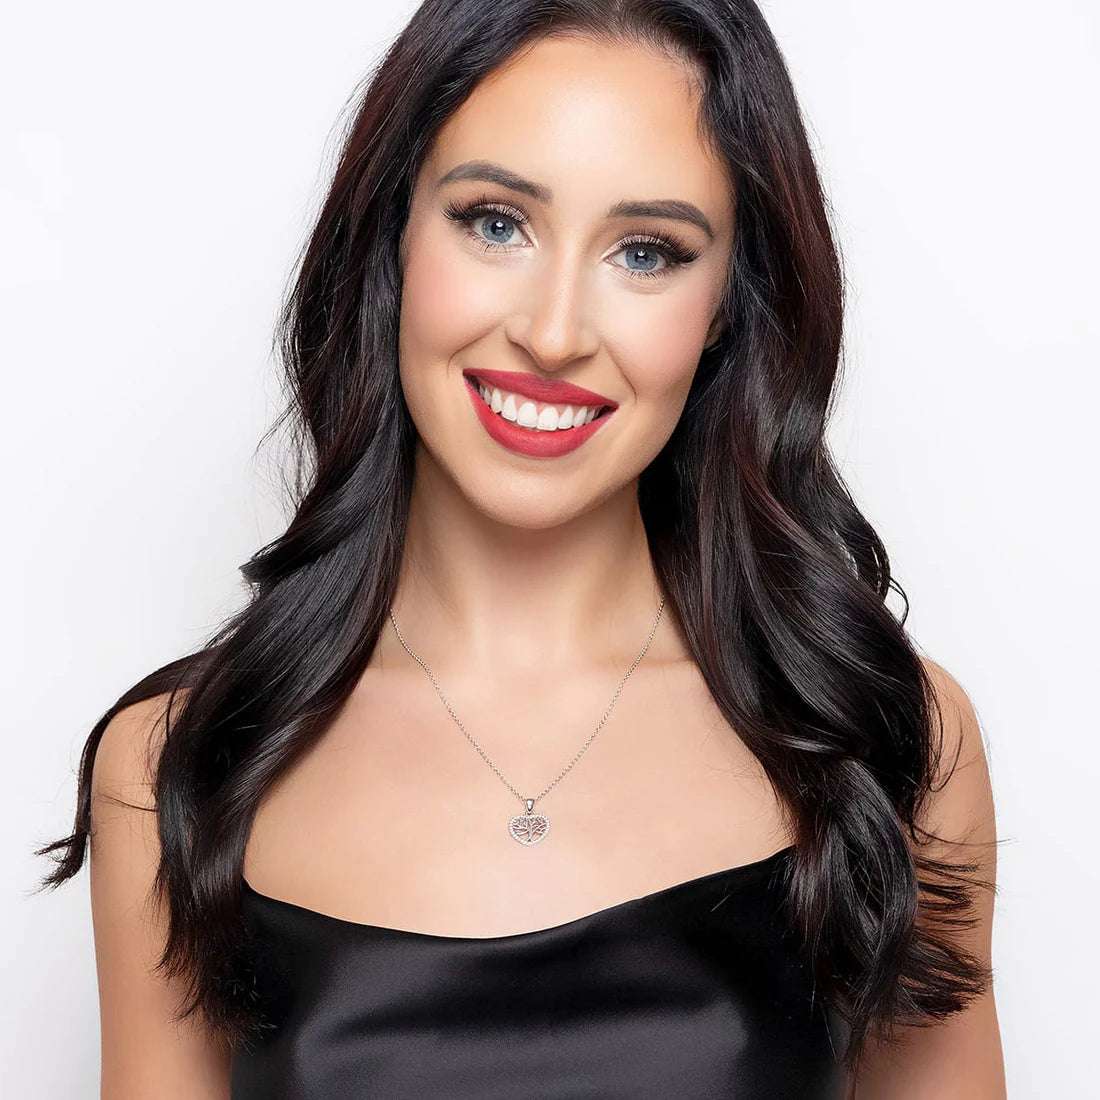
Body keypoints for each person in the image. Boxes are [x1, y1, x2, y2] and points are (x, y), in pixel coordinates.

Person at [35, 1, 1005, 1096]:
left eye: (646, 252)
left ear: (728, 309)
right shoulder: (177, 766)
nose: (551, 333)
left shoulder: (887, 743)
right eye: (495, 223)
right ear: (392, 238)